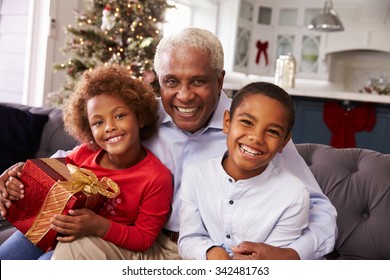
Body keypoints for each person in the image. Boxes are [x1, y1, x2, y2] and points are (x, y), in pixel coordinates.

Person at [0, 27, 337, 260]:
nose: (184, 95)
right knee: (57, 246)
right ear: (158, 80)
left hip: (204, 251)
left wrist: (292, 254)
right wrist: (21, 173)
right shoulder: (141, 118)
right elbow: (83, 157)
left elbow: (320, 210)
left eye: (200, 82)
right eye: (172, 82)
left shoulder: (250, 131)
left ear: (220, 80)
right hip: (134, 240)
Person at [0, 65, 173, 260]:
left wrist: (99, 225)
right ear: (88, 129)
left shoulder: (157, 177)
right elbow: (48, 182)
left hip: (92, 249)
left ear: (140, 117)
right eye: (98, 122)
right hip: (51, 229)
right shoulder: (83, 154)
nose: (110, 127)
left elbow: (144, 238)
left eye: (119, 116)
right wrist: (21, 178)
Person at [178, 82, 310, 260]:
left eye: (272, 131)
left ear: (284, 142)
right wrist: (210, 253)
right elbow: (188, 239)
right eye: (247, 122)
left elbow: (274, 258)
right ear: (227, 123)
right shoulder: (195, 175)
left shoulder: (294, 195)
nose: (256, 138)